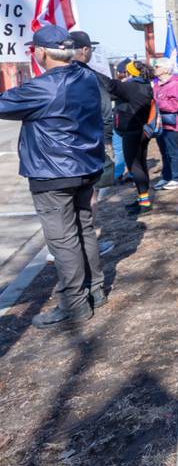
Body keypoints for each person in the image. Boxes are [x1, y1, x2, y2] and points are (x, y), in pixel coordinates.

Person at [0, 25, 104, 329]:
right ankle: (95, 291)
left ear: (41, 52)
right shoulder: (86, 77)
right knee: (84, 231)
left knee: (63, 240)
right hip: (85, 168)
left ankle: (75, 305)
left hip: (53, 174)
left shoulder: (43, 86)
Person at [70, 30, 115, 258]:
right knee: (90, 196)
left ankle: (70, 248)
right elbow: (106, 112)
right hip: (89, 146)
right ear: (85, 50)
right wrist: (105, 139)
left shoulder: (55, 74)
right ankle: (89, 244)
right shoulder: (89, 77)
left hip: (62, 153)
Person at [108, 60, 155, 215]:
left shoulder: (131, 87)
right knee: (140, 163)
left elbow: (111, 86)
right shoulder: (144, 85)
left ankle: (144, 200)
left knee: (134, 165)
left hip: (133, 131)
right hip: (143, 130)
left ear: (130, 73)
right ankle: (143, 198)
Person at [152, 58, 178, 190]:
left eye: (157, 66)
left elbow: (175, 105)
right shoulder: (157, 84)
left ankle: (177, 178)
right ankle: (166, 177)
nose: (155, 68)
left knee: (173, 152)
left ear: (166, 69)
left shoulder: (174, 84)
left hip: (170, 124)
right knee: (164, 152)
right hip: (159, 124)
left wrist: (156, 103)